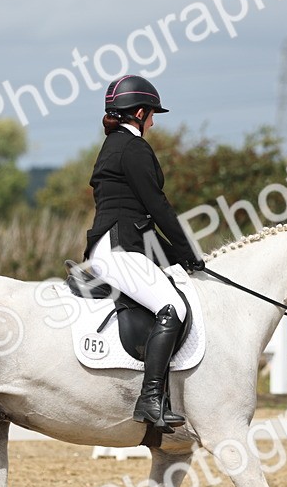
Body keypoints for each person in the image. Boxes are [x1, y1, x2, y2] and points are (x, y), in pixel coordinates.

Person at [83, 74, 204, 429]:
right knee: (173, 306)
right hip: (119, 249)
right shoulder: (133, 148)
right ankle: (150, 398)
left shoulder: (114, 146)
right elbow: (158, 206)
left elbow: (141, 218)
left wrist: (179, 259)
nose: (153, 121)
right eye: (151, 114)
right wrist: (188, 249)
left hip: (120, 243)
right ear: (138, 112)